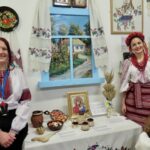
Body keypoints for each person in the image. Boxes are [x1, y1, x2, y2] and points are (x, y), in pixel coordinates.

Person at [0, 37, 31, 150]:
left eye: (4, 49)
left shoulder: (17, 73)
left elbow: (25, 101)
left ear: (9, 53)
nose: (1, 52)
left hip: (16, 121)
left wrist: (13, 131)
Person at [120, 32, 150, 127]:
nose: (137, 46)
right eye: (134, 45)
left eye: (139, 43)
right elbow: (124, 85)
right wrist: (123, 103)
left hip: (149, 101)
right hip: (132, 103)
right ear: (130, 48)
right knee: (134, 128)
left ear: (143, 44)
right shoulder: (127, 63)